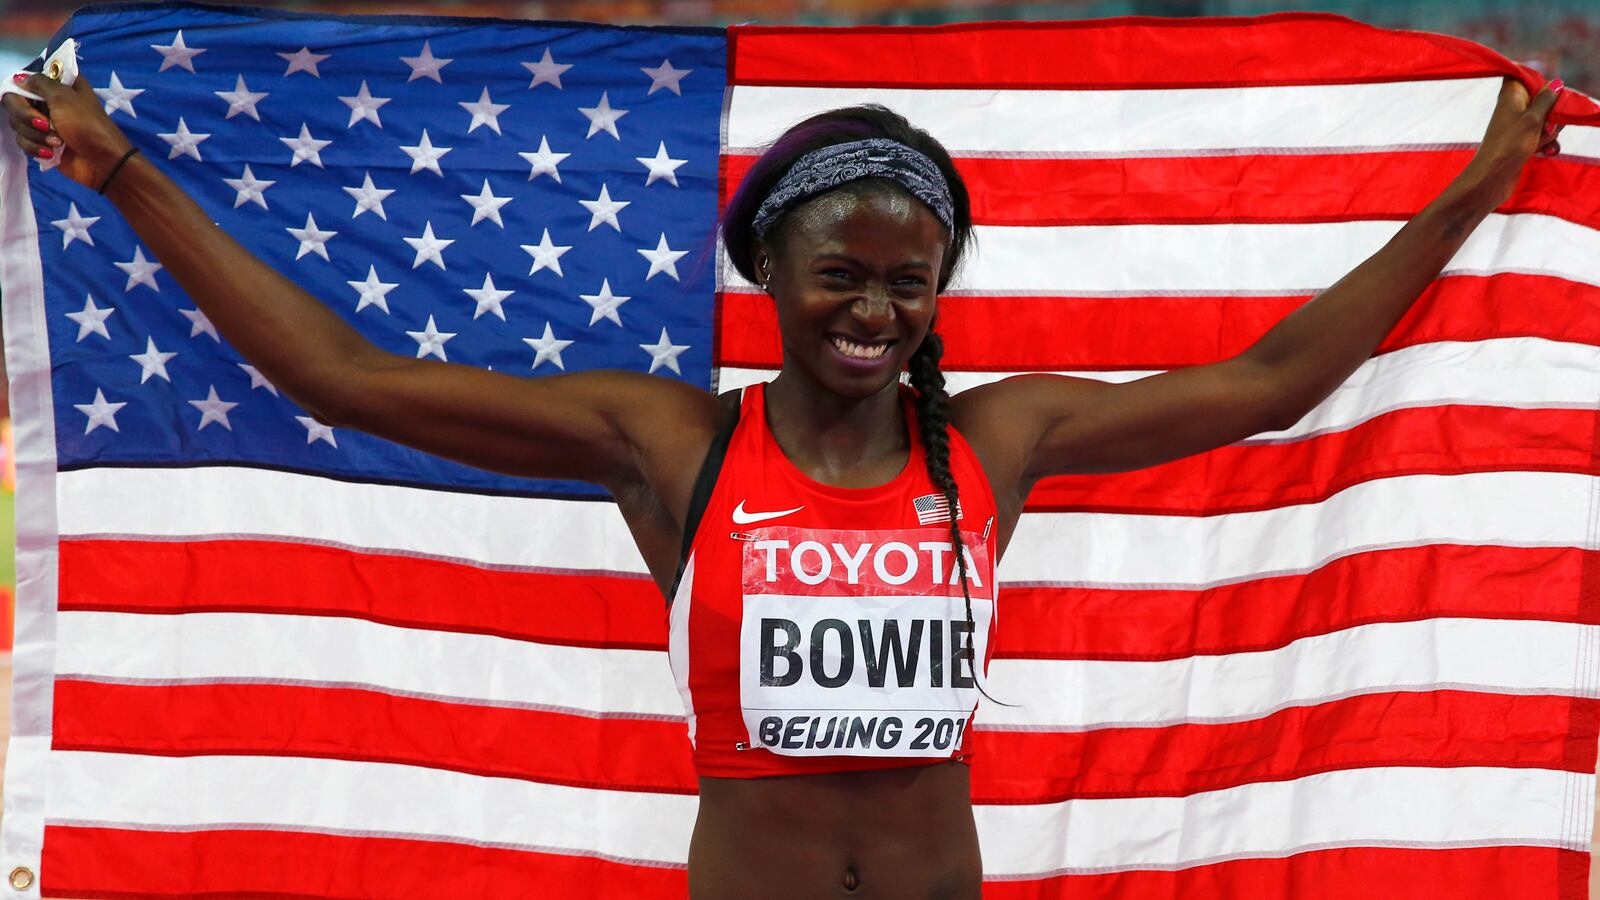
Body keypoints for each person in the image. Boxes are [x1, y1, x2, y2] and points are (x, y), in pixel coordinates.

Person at [4, 69, 1566, 899]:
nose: (875, 310)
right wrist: (126, 171)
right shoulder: (670, 445)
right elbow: (353, 382)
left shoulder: (993, 447)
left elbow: (1275, 381)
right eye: (842, 275)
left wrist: (1480, 186)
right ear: (772, 274)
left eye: (909, 280)